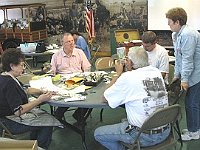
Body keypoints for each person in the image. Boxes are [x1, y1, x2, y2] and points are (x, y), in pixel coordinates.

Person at [94, 47, 170, 150]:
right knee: (126, 120)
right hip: (165, 130)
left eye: (127, 59)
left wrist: (118, 74)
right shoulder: (156, 72)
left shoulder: (128, 78)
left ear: (130, 62)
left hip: (143, 136)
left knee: (98, 133)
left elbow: (105, 97)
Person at [0, 48, 58, 149]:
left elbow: (25, 89)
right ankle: (39, 147)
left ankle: (34, 143)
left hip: (6, 118)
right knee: (49, 121)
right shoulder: (9, 83)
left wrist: (41, 92)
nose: (23, 68)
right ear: (12, 66)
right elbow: (18, 111)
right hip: (9, 122)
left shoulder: (6, 77)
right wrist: (39, 100)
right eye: (21, 65)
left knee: (43, 115)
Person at [166, 7, 200, 141]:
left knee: (192, 103)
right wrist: (177, 75)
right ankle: (195, 127)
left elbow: (187, 59)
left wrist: (184, 79)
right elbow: (178, 56)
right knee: (191, 102)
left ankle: (194, 132)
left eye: (170, 22)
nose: (168, 24)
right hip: (190, 73)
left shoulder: (188, 35)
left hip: (196, 74)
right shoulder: (177, 34)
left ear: (178, 22)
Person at [51, 33, 91, 125]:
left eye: (72, 41)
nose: (71, 43)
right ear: (63, 43)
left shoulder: (79, 53)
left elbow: (87, 68)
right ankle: (58, 116)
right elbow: (52, 73)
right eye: (68, 42)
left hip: (79, 80)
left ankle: (79, 115)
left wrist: (85, 76)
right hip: (64, 83)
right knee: (67, 95)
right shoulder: (56, 56)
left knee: (88, 96)